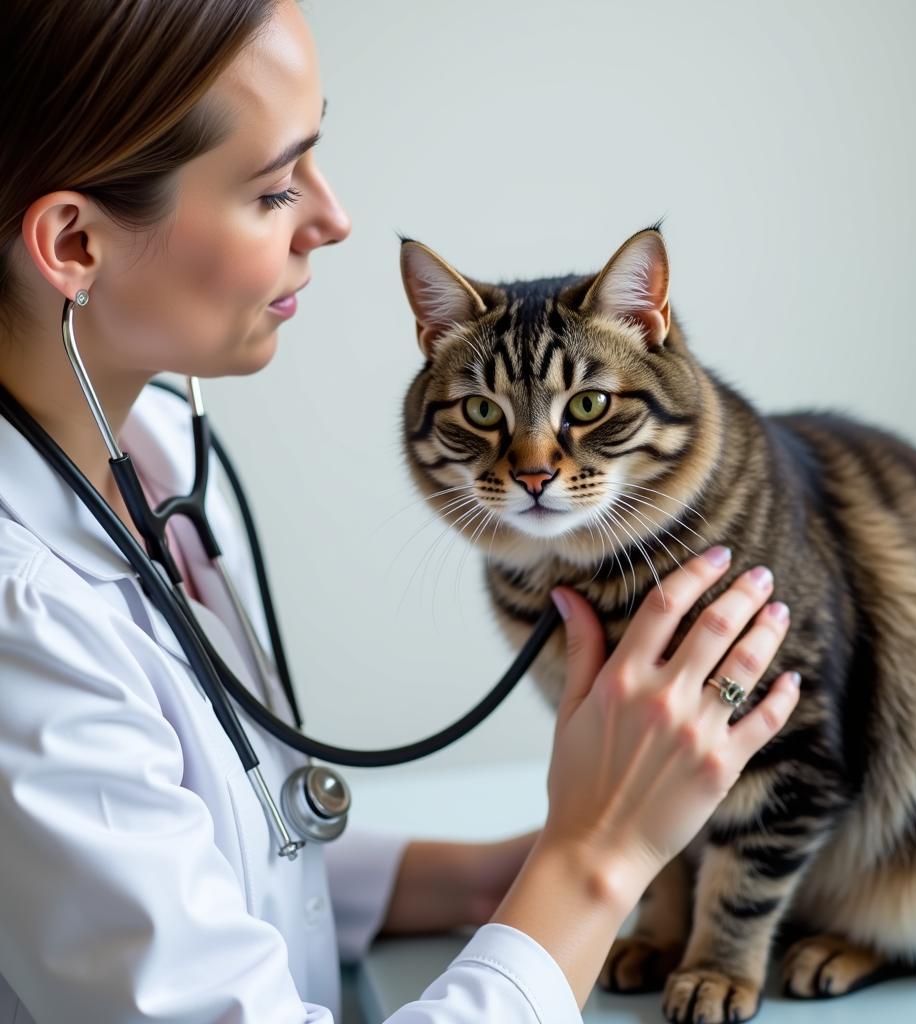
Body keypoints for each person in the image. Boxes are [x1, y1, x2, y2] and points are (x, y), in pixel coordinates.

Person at [0, 2, 801, 1021]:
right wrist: (595, 860)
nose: (333, 221)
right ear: (74, 242)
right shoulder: (19, 625)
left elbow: (203, 852)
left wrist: (486, 880)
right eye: (274, 187)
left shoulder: (153, 456)